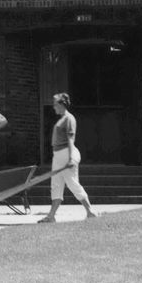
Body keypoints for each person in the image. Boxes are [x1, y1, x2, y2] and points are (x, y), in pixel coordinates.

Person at [38, 93, 98, 223]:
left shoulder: (69, 119)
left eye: (55, 104)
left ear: (61, 104)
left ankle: (90, 211)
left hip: (66, 154)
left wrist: (71, 158)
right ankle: (51, 216)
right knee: (56, 185)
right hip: (58, 155)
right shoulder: (62, 118)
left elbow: (71, 139)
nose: (53, 107)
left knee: (72, 182)